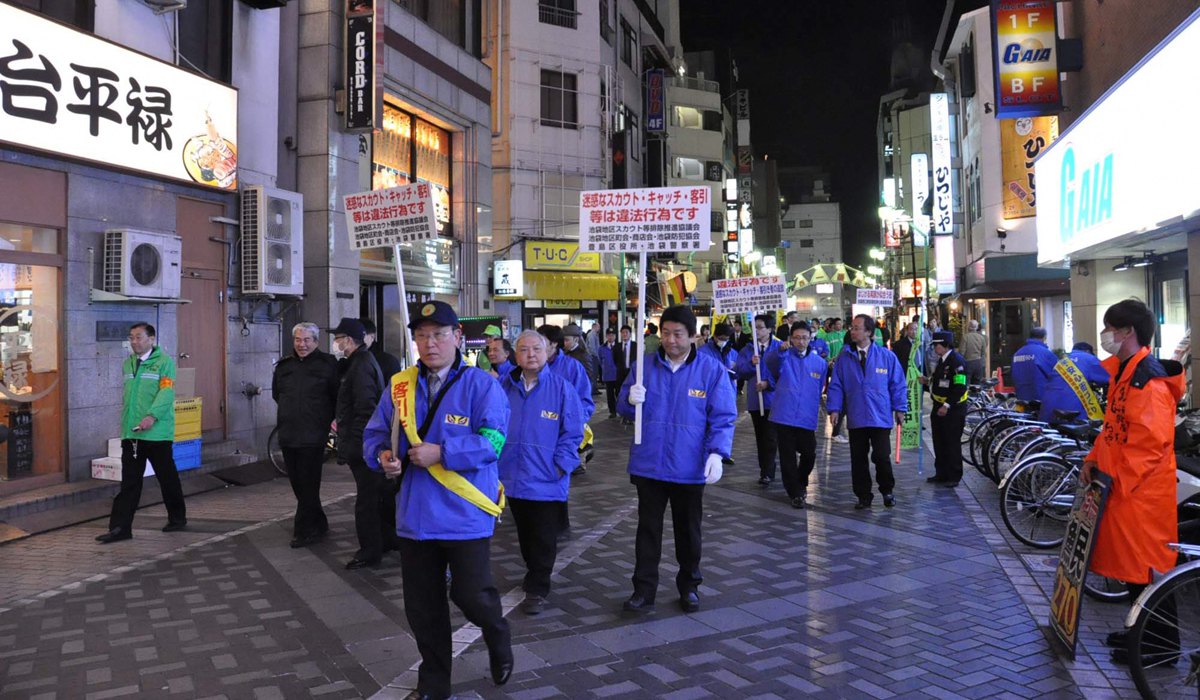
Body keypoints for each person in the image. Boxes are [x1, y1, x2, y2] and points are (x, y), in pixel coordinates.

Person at [363, 301, 513, 697]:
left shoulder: (482, 384)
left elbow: (494, 441)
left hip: (466, 513)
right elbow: (375, 434)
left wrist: (443, 453)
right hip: (415, 516)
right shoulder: (399, 386)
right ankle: (434, 683)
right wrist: (383, 457)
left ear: (458, 338)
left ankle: (497, 633)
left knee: (472, 594)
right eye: (422, 336)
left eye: (439, 335)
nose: (430, 344)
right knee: (423, 609)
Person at [1080, 299, 1183, 666]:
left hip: (1141, 494)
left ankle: (1160, 646)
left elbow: (1149, 444)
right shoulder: (1125, 373)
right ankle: (1140, 631)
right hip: (1126, 489)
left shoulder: (1147, 382)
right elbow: (1113, 431)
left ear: (1128, 332)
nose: (1105, 334)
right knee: (1135, 570)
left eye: (1110, 327)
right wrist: (1094, 461)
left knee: (1149, 570)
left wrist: (1117, 482)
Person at [618, 305, 736, 614]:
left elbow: (723, 417)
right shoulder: (644, 367)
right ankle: (643, 590)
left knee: (688, 532)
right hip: (650, 463)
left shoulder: (711, 371)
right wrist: (631, 400)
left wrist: (716, 453)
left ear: (693, 336)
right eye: (665, 333)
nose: (670, 340)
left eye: (678, 334)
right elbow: (625, 408)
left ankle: (689, 587)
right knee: (647, 532)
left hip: (689, 466)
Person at [498, 331, 585, 615]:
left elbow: (573, 432)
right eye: (524, 349)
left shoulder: (561, 388)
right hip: (512, 475)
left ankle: (538, 585)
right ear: (516, 354)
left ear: (547, 351)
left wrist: (561, 464)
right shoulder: (504, 386)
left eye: (536, 348)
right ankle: (533, 571)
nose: (531, 354)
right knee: (525, 531)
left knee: (544, 534)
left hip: (547, 476)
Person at [96, 323, 187, 544]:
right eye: (131, 338)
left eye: (139, 337)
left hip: (157, 434)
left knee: (167, 478)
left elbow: (167, 392)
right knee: (129, 482)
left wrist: (151, 417)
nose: (134, 342)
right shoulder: (128, 363)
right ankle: (120, 528)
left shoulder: (164, 363)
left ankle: (177, 518)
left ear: (151, 339)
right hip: (132, 434)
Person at [827, 314, 907, 509]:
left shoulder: (886, 356)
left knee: (881, 456)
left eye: (856, 328)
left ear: (869, 332)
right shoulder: (844, 358)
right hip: (856, 416)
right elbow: (836, 385)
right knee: (858, 459)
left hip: (880, 416)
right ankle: (863, 495)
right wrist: (834, 408)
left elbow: (898, 384)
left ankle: (887, 490)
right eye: (852, 328)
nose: (852, 331)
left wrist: (900, 408)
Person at [272, 322, 339, 548]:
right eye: (298, 340)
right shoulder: (283, 366)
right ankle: (319, 521)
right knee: (298, 484)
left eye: (307, 340)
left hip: (313, 434)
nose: (302, 344)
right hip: (288, 432)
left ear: (316, 342)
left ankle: (305, 530)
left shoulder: (329, 364)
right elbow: (276, 394)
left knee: (309, 483)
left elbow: (336, 396)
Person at [331, 317, 389, 570]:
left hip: (363, 445)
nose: (335, 343)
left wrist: (357, 446)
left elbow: (366, 408)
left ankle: (370, 551)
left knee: (367, 501)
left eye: (338, 338)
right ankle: (382, 543)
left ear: (348, 340)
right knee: (373, 498)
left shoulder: (361, 364)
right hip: (362, 443)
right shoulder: (357, 362)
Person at [761, 321, 827, 508]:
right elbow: (771, 363)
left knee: (809, 454)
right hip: (784, 415)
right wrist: (780, 351)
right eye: (796, 338)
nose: (800, 341)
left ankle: (801, 480)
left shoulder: (819, 363)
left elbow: (820, 386)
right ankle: (795, 492)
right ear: (790, 339)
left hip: (807, 416)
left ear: (810, 339)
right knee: (787, 456)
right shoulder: (783, 357)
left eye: (804, 337)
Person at [736, 314, 782, 485]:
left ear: (770, 329)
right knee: (761, 437)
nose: (757, 331)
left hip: (774, 401)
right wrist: (750, 363)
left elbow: (784, 373)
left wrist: (768, 383)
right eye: (754, 327)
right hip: (756, 401)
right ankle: (765, 470)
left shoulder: (779, 348)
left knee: (771, 437)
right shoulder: (748, 349)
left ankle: (769, 471)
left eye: (760, 327)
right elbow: (740, 372)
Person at [919, 331, 968, 487]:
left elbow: (960, 387)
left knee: (951, 443)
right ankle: (941, 473)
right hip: (938, 407)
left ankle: (953, 476)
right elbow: (938, 382)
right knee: (939, 442)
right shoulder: (941, 361)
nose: (934, 348)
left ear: (946, 346)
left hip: (952, 409)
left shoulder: (957, 362)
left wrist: (947, 405)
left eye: (937, 345)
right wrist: (927, 381)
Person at [1038, 342, 1110, 424]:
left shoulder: (1062, 360)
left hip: (1048, 407)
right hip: (1072, 409)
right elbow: (1109, 378)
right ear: (1088, 351)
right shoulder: (1090, 359)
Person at [1011, 327, 1058, 402]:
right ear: (1044, 337)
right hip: (1040, 398)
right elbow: (1057, 375)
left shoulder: (1017, 353)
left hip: (1021, 397)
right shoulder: (1045, 353)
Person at [698, 322, 738, 388]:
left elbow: (738, 372)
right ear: (714, 336)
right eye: (721, 338)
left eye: (726, 339)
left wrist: (735, 373)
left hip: (728, 389)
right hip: (710, 389)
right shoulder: (703, 352)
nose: (723, 341)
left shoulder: (733, 353)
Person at [562, 323, 595, 391]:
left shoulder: (583, 355)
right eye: (564, 340)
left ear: (576, 340)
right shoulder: (564, 353)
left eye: (567, 340)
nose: (564, 343)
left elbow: (588, 376)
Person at [599, 327, 619, 417]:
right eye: (609, 335)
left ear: (615, 336)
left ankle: (620, 410)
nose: (611, 337)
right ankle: (612, 411)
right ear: (606, 336)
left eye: (612, 335)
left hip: (618, 375)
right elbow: (600, 361)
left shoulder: (619, 347)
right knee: (610, 395)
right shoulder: (602, 348)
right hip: (607, 375)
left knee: (619, 394)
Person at [960, 319, 988, 385]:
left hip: (968, 363)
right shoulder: (981, 338)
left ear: (968, 327)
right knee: (977, 385)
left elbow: (961, 352)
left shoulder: (965, 337)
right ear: (976, 327)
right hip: (978, 363)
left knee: (966, 384)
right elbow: (983, 352)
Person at [613, 324, 637, 397]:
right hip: (620, 373)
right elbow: (615, 359)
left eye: (626, 332)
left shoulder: (635, 345)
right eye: (623, 332)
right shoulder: (617, 346)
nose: (624, 334)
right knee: (620, 392)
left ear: (630, 334)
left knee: (631, 392)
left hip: (631, 372)